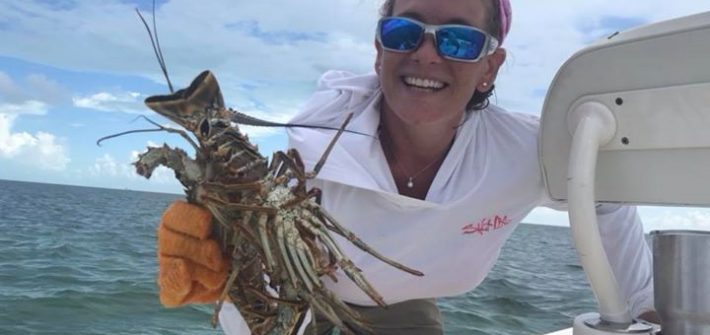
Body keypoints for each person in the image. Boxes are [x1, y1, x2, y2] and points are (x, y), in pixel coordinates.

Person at [156, 0, 659, 333]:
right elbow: (259, 244)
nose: (426, 54)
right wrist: (216, 260)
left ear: (490, 67)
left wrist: (644, 304)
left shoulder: (524, 149)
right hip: (298, 299)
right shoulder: (314, 143)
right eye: (404, 32)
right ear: (379, 51)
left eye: (458, 40)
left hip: (405, 306)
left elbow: (604, 198)